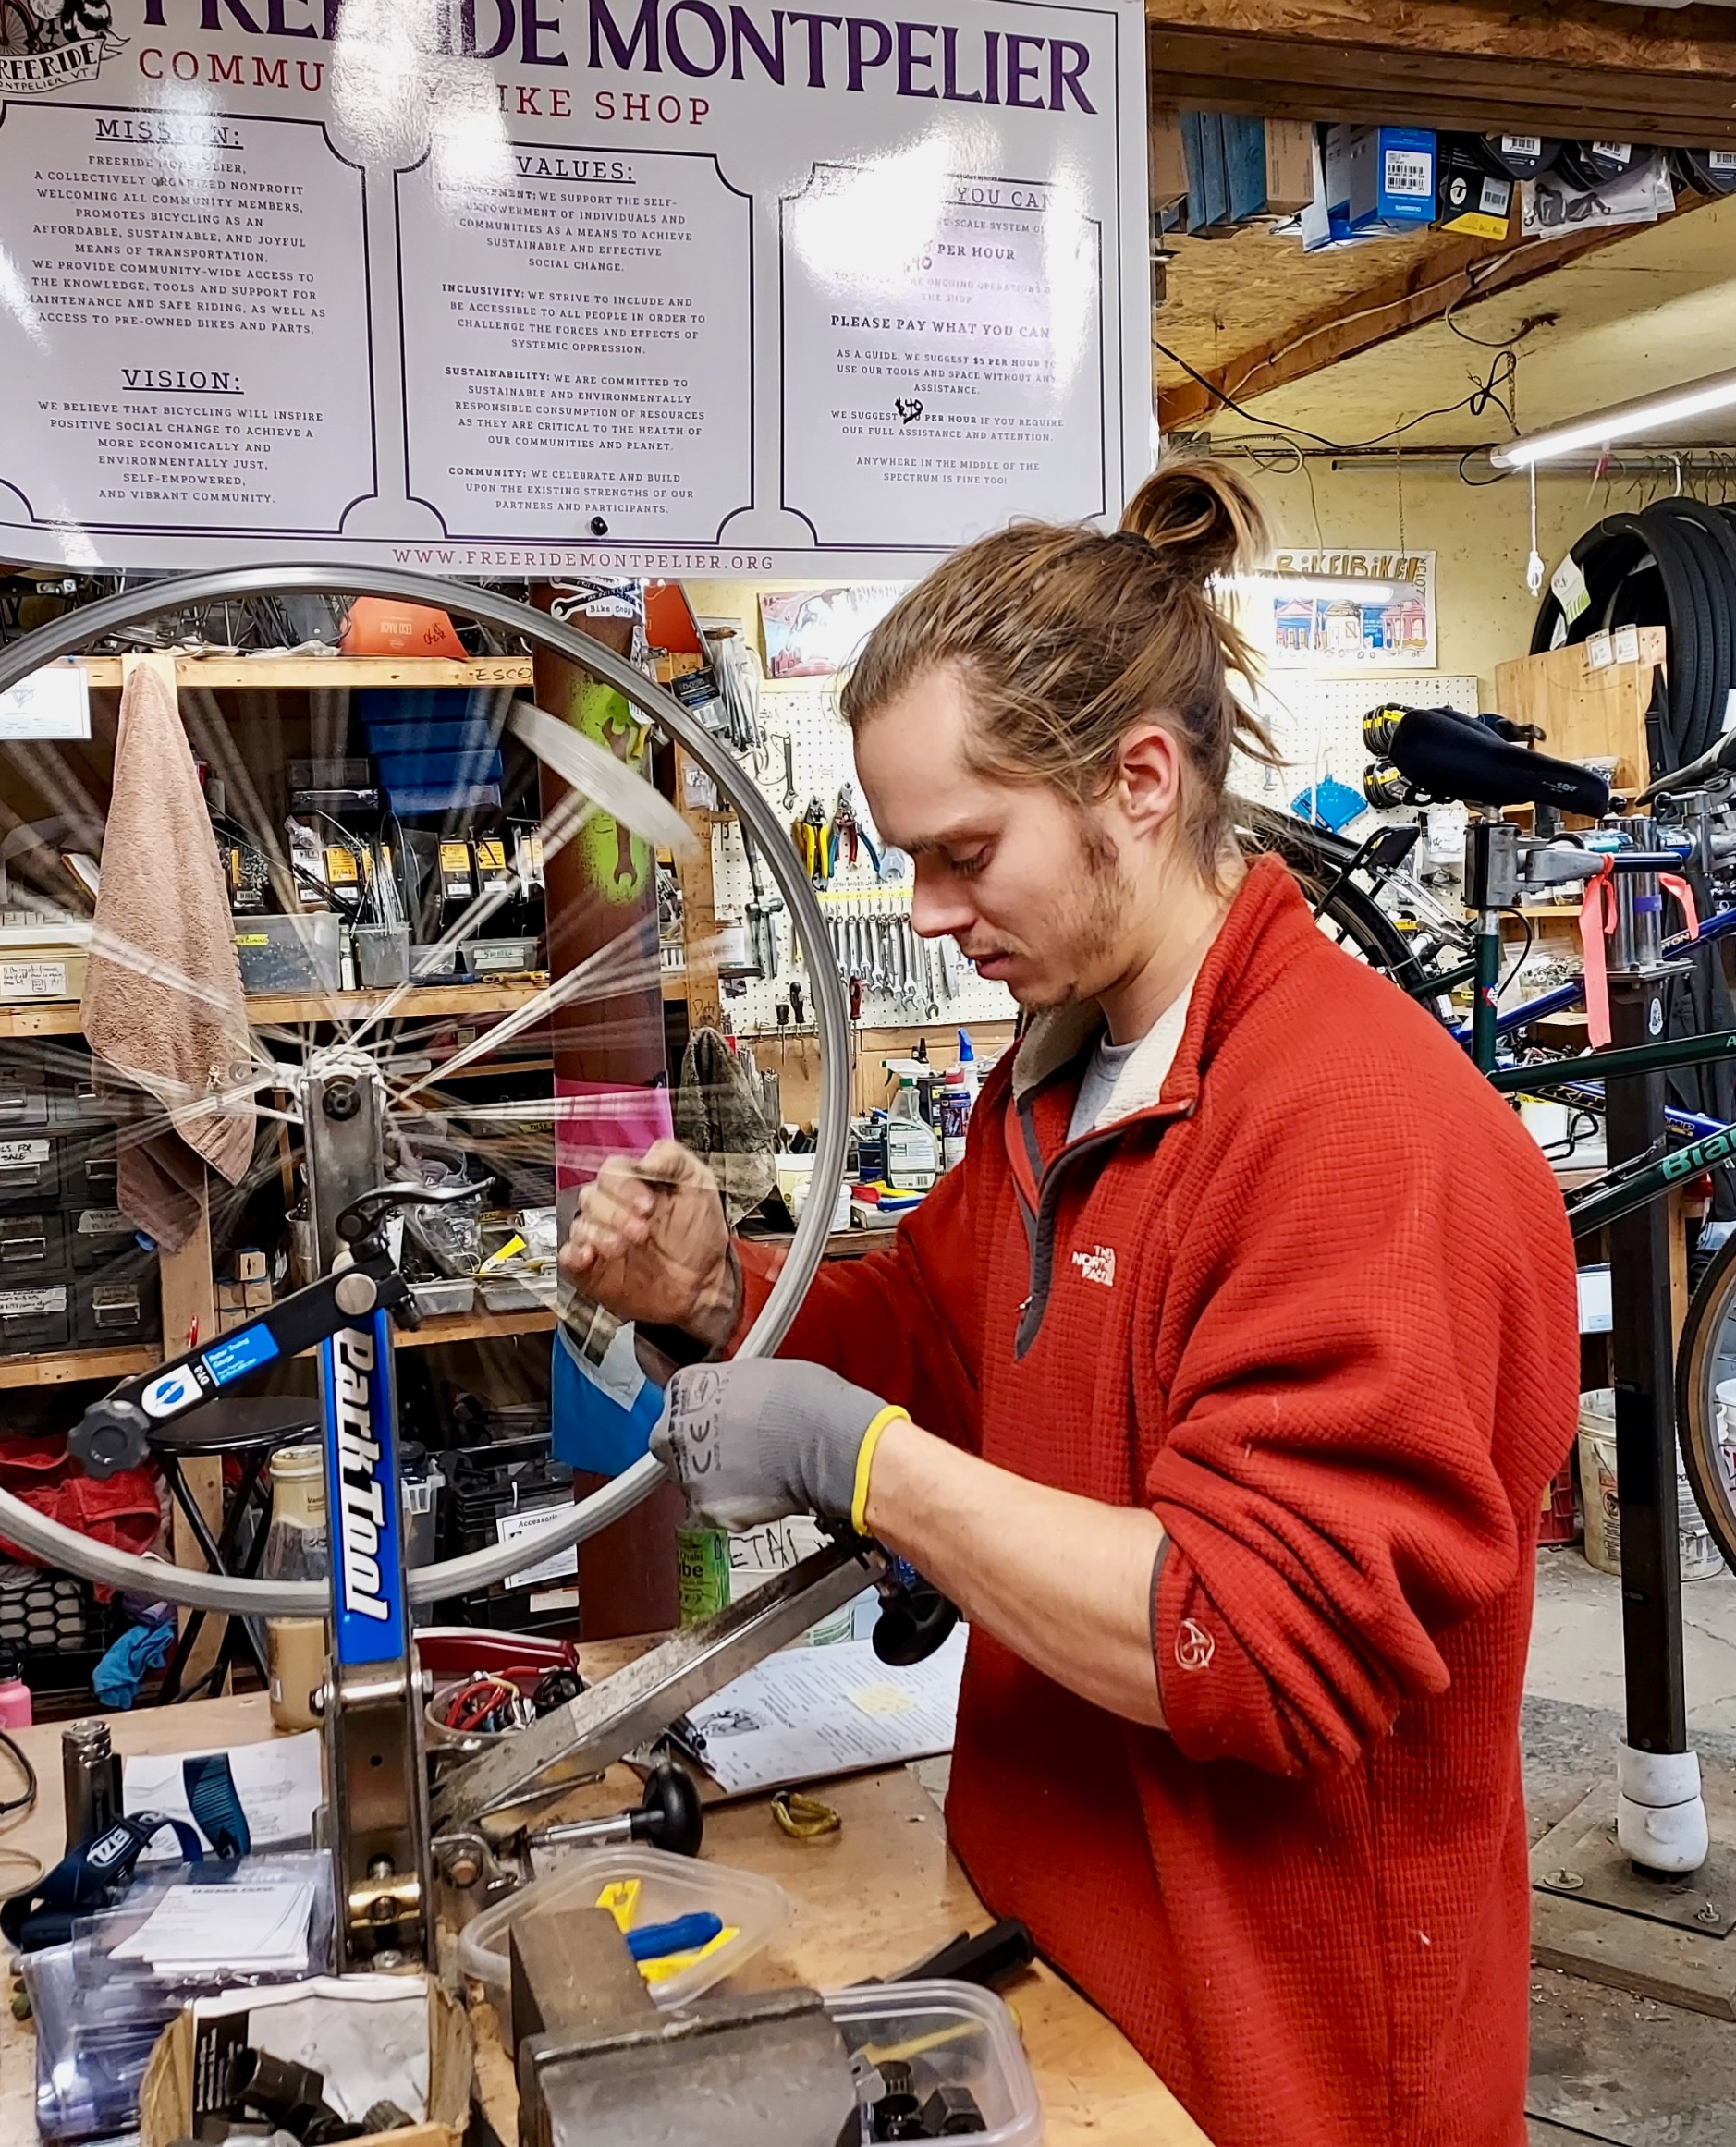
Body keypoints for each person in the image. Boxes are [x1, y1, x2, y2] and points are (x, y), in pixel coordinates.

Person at [560, 457, 1580, 2147]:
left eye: (968, 853)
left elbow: (1253, 1644)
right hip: (1050, 1949)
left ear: (1142, 781)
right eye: (909, 860)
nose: (931, 915)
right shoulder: (1060, 1082)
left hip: (1271, 2044)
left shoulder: (1358, 1136)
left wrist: (862, 1465)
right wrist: (713, 1289)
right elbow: (945, 1354)